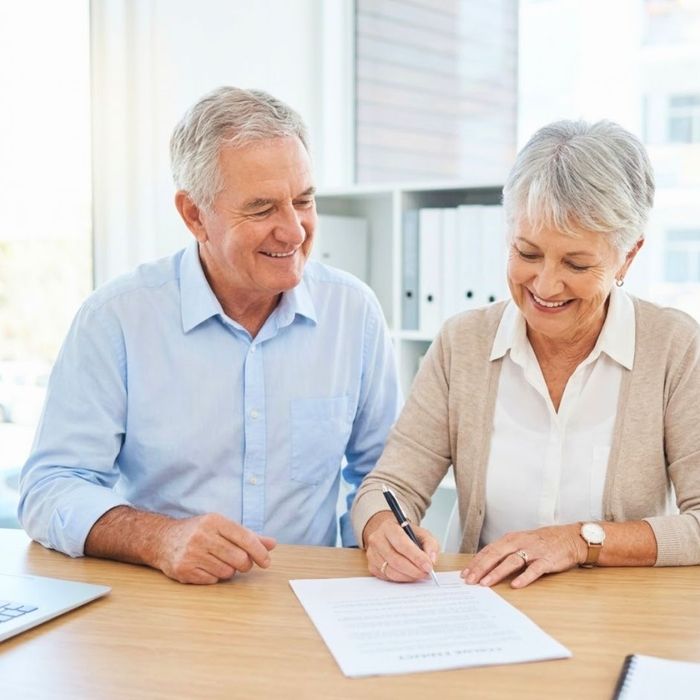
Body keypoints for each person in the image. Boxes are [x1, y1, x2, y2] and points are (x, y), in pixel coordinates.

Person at [19, 87, 400, 584]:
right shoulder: (115, 319)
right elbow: (51, 487)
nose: (295, 231)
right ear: (194, 215)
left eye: (303, 201)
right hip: (166, 605)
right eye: (262, 210)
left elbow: (383, 474)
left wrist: (384, 528)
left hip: (307, 606)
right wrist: (160, 538)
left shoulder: (354, 312)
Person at [352, 119, 700, 588]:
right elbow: (386, 486)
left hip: (618, 619)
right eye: (528, 254)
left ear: (628, 256)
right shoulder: (462, 344)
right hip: (484, 611)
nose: (545, 285)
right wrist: (382, 529)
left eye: (576, 264)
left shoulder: (674, 348)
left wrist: (579, 541)